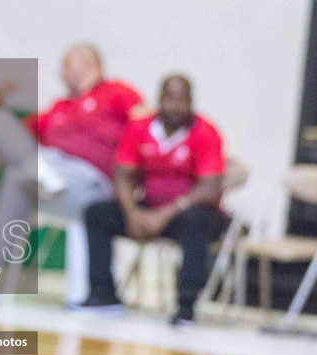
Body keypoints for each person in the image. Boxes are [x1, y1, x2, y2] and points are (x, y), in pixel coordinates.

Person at [0, 44, 144, 303]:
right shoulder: (60, 107)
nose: (61, 74)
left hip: (89, 183)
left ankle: (42, 173)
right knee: (9, 158)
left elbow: (145, 125)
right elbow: (15, 138)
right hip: (48, 174)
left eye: (66, 66)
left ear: (87, 63)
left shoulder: (117, 93)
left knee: (19, 175)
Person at [78, 74, 225, 323]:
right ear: (160, 99)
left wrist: (166, 213)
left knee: (197, 222)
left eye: (183, 100)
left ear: (191, 101)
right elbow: (123, 177)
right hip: (148, 209)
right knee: (97, 213)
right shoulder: (139, 128)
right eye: (170, 98)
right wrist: (132, 213)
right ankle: (102, 295)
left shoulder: (206, 132)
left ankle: (186, 306)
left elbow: (210, 188)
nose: (176, 106)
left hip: (188, 210)